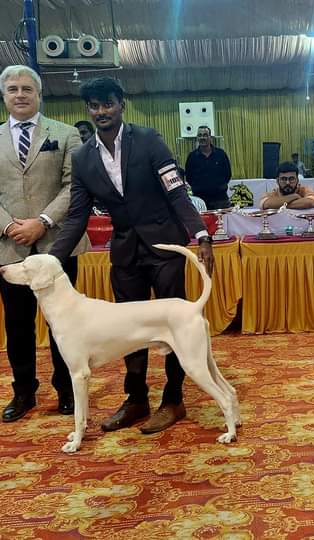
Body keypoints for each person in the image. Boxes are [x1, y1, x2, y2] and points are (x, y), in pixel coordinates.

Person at [49, 76, 213, 435]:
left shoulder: (149, 140)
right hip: (124, 253)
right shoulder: (82, 157)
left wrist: (199, 232)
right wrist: (53, 258)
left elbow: (176, 192)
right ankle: (136, 398)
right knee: (128, 331)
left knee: (173, 328)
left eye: (108, 103)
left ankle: (173, 400)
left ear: (121, 103)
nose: (101, 111)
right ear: (88, 110)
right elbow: (77, 215)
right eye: (94, 106)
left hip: (164, 247)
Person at [0, 65, 90, 423]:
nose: (19, 94)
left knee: (64, 325)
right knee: (17, 326)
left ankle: (67, 391)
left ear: (39, 95)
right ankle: (23, 392)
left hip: (57, 244)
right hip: (10, 250)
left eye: (26, 89)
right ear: (3, 96)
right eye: (12, 89)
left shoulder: (66, 135)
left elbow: (75, 185)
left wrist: (43, 222)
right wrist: (9, 226)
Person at [184, 125, 232, 210]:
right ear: (197, 138)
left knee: (223, 223)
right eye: (200, 135)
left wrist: (218, 186)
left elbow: (227, 174)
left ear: (210, 137)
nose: (202, 137)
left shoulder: (221, 154)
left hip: (221, 200)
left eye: (205, 135)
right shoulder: (192, 157)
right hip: (200, 201)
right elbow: (189, 177)